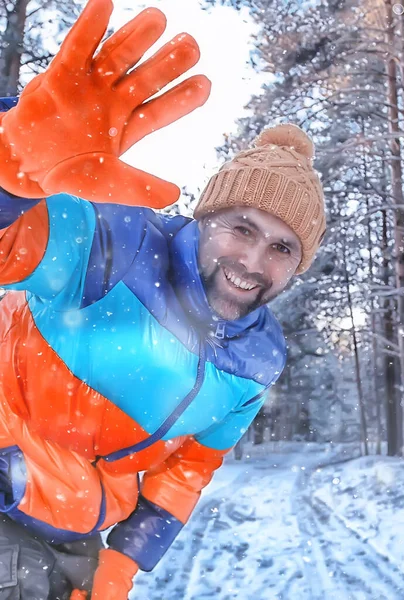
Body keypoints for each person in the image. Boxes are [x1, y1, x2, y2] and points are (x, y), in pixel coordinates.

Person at [0, 0, 326, 598]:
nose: (253, 264)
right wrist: (11, 168)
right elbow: (7, 243)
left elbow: (191, 467)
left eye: (282, 248)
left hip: (79, 532)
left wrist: (124, 562)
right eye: (242, 229)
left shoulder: (259, 358)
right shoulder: (115, 243)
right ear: (204, 219)